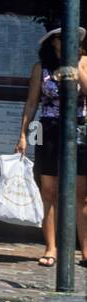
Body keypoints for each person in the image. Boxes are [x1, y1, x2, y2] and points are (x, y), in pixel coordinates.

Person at [16, 27, 87, 267]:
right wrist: (23, 134)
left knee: (80, 194)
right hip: (47, 129)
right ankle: (50, 247)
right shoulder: (41, 68)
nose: (67, 41)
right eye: (61, 37)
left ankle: (86, 250)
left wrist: (75, 66)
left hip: (78, 128)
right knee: (49, 191)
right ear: (53, 42)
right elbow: (32, 102)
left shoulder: (84, 62)